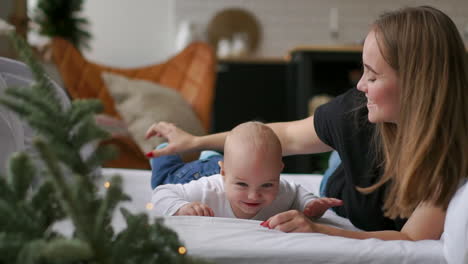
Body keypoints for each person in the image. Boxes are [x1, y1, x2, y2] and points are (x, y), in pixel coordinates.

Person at [146, 6, 467, 240]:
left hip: (361, 176)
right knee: (237, 165)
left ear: (417, 83)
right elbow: (285, 135)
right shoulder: (356, 112)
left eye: (373, 75)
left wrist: (318, 229)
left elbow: (412, 239)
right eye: (362, 72)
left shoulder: (451, 153)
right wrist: (197, 142)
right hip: (340, 179)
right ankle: (206, 161)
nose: (360, 85)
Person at [150, 122, 342, 220]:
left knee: (233, 165)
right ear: (223, 173)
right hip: (199, 173)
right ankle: (164, 152)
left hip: (232, 165)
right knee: (164, 178)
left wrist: (311, 204)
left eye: (267, 184)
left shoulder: (282, 190)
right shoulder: (206, 190)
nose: (254, 195)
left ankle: (211, 157)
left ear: (279, 171)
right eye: (242, 185)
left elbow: (298, 193)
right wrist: (181, 208)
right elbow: (162, 193)